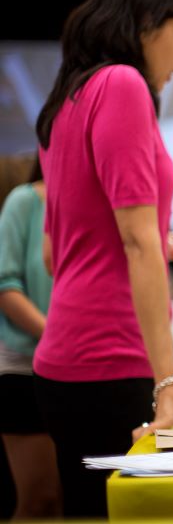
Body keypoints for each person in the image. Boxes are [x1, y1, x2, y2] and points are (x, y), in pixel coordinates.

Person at [34, 0, 173, 518]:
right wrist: (168, 380)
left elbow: (57, 253)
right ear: (142, 26)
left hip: (65, 361)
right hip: (113, 362)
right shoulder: (123, 84)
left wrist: (165, 242)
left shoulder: (67, 99)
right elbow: (134, 244)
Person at [0, 158, 62, 518]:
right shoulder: (24, 202)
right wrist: (57, 336)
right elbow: (6, 286)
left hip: (77, 372)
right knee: (40, 499)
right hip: (25, 369)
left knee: (73, 500)